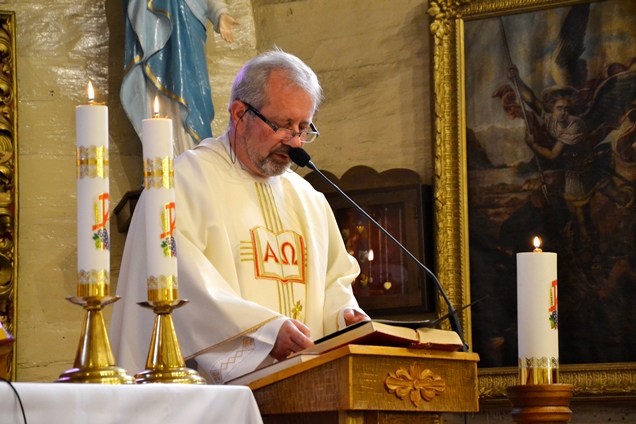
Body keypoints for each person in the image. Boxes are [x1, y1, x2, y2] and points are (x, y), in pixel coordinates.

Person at [110, 50, 369, 384]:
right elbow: (181, 282)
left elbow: (335, 279)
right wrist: (265, 333)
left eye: (303, 128)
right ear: (239, 114)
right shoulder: (181, 183)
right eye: (283, 125)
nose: (295, 142)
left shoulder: (308, 199)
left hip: (306, 388)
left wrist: (343, 315)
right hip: (215, 394)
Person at [121, 0, 239, 155]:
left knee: (193, 88)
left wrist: (220, 12)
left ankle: (191, 152)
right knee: (155, 86)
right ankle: (162, 155)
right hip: (152, 21)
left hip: (188, 21)